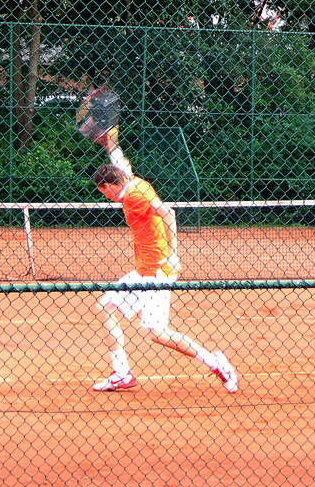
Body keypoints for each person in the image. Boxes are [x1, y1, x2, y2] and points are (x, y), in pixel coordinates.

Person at [89, 163, 239, 393]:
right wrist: (111, 145)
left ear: (110, 185)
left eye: (104, 191)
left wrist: (173, 254)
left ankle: (217, 363)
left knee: (157, 333)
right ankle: (121, 373)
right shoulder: (132, 182)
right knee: (105, 307)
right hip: (143, 272)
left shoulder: (135, 195)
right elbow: (122, 165)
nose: (106, 196)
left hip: (158, 271)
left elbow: (168, 213)